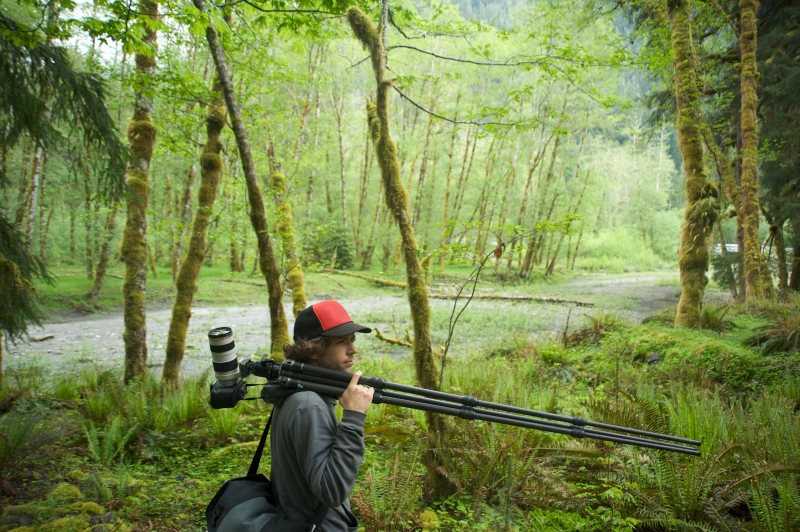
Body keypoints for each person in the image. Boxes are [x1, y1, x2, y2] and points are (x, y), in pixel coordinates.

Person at [262, 300, 375, 531]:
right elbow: (331, 490)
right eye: (341, 341)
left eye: (352, 340)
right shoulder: (308, 404)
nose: (352, 349)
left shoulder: (302, 391)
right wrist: (353, 418)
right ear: (313, 349)